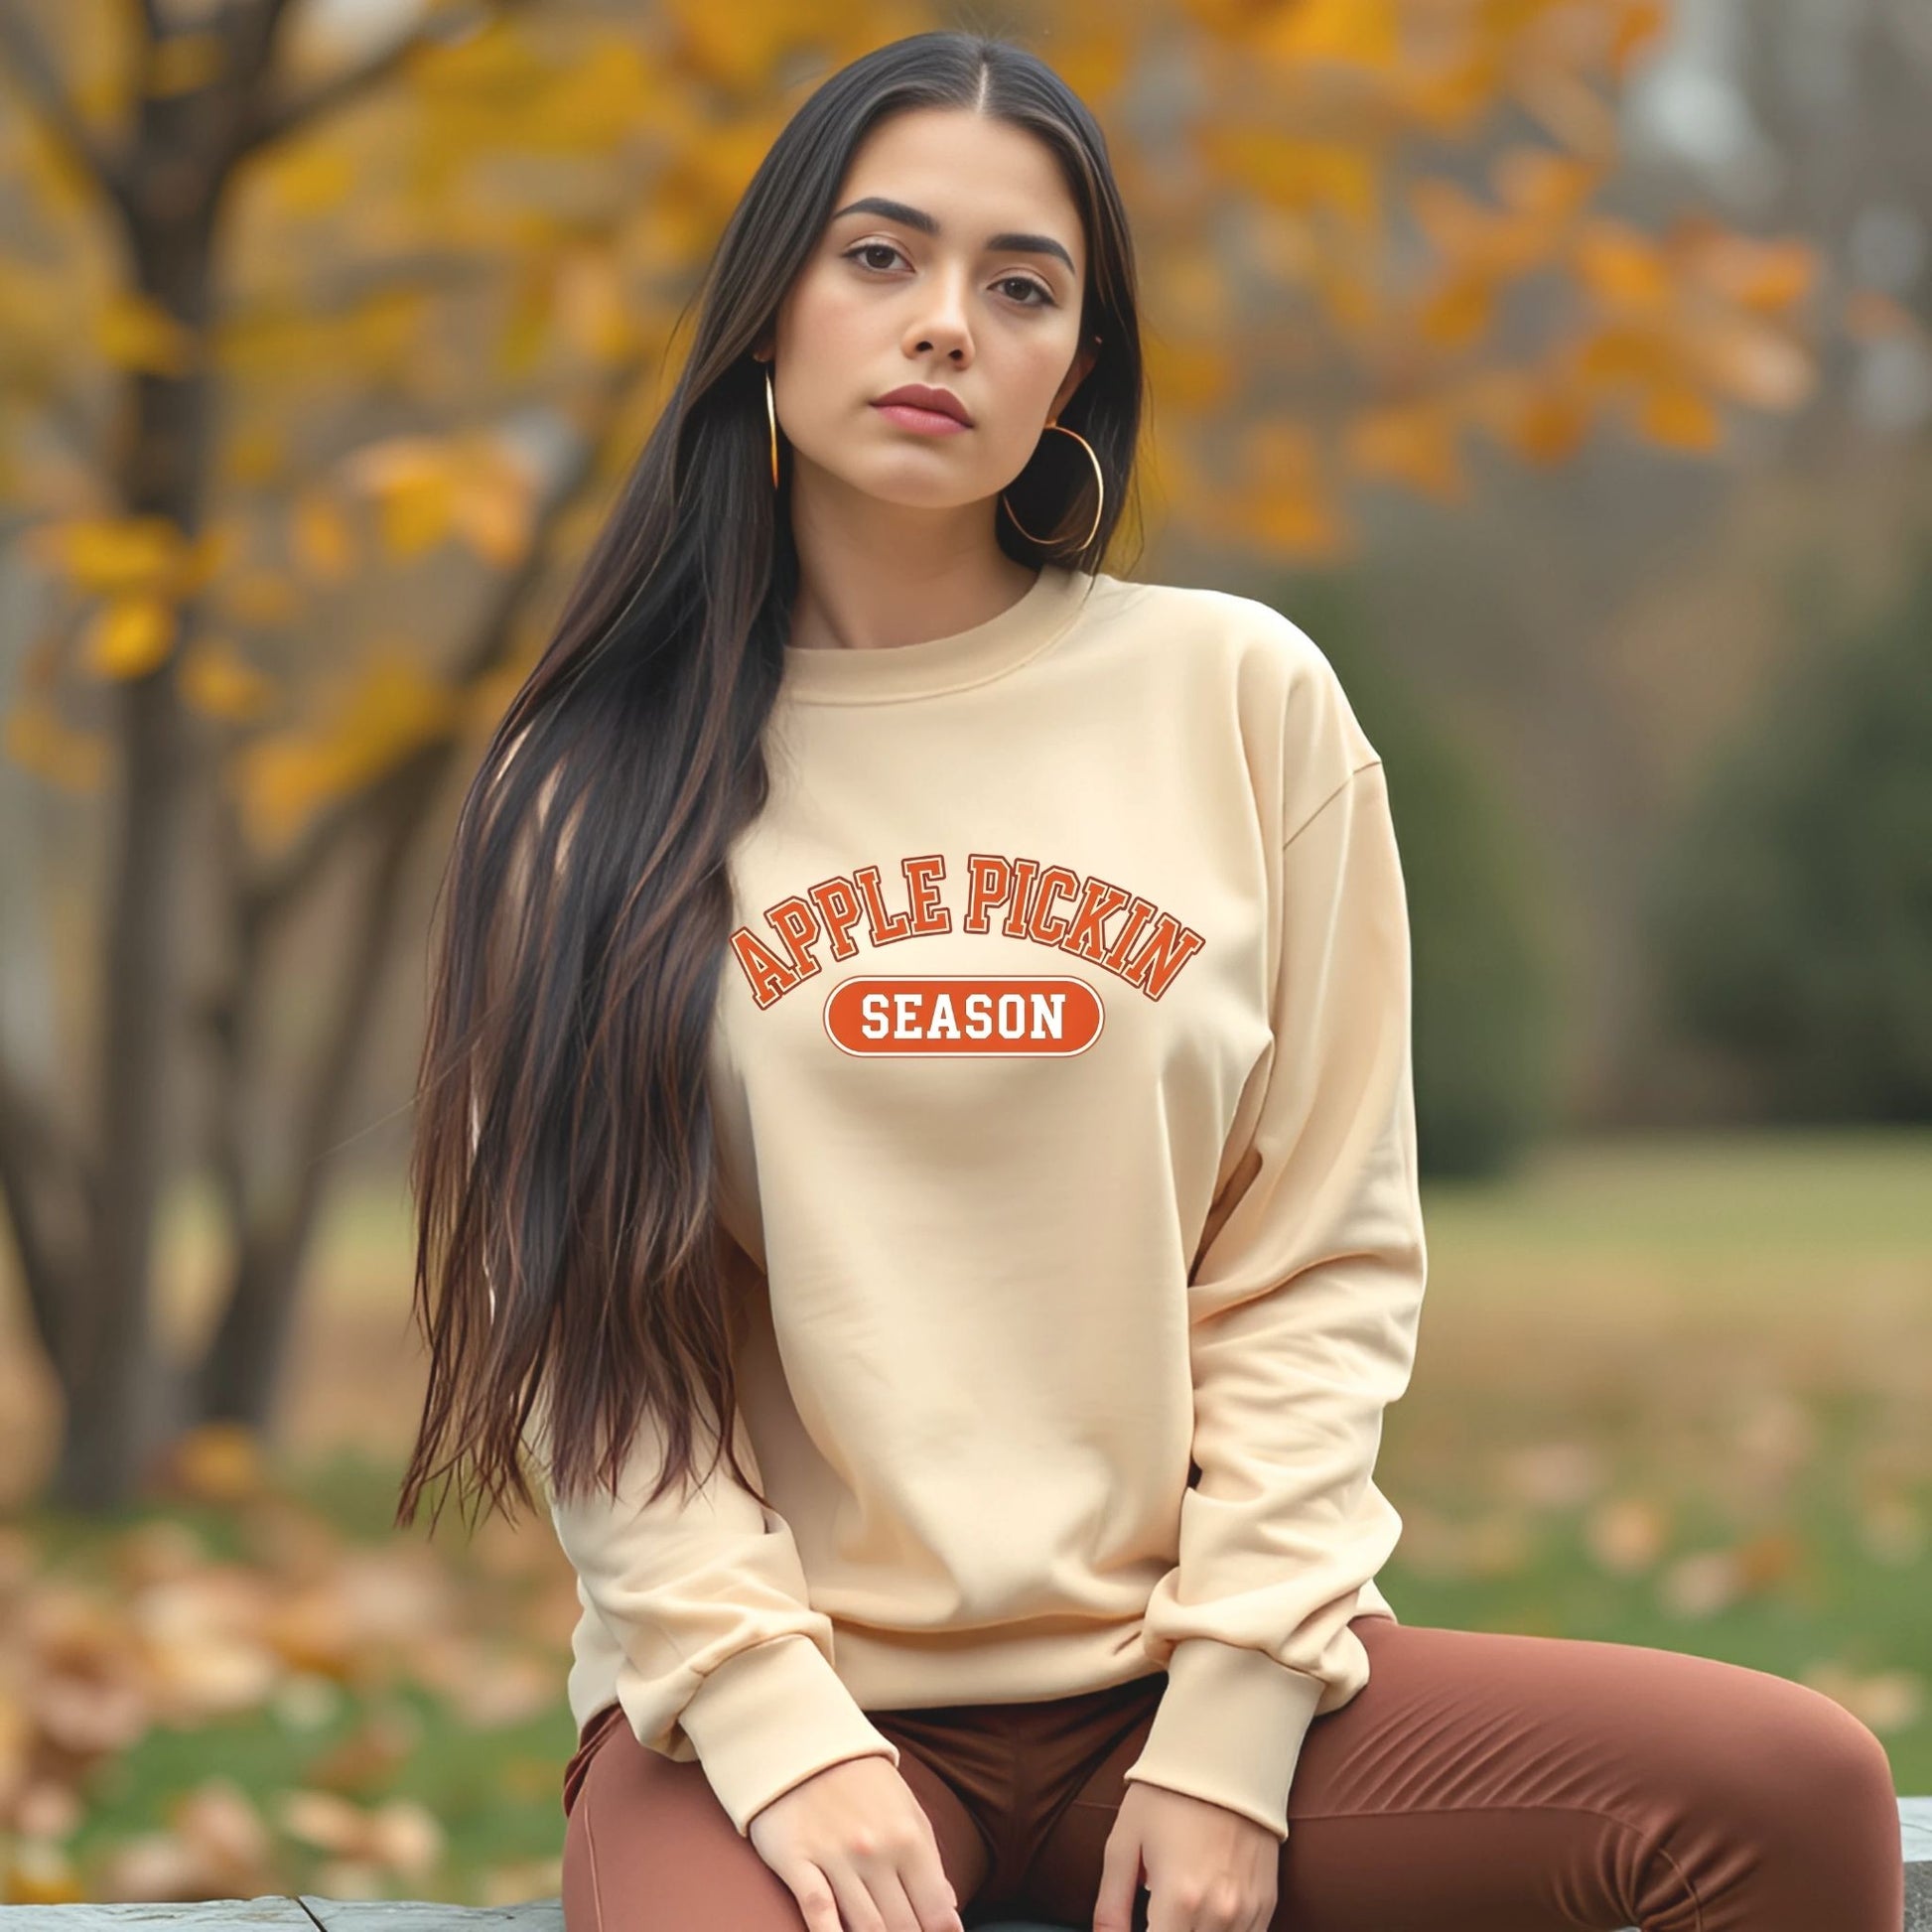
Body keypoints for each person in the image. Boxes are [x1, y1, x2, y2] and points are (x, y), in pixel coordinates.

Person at [395, 29, 1903, 1932]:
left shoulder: (1236, 699)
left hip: (1186, 1665)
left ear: (1074, 374)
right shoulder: (585, 787)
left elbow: (1320, 1255)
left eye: (1019, 287)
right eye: (880, 256)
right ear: (768, 308)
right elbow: (596, 1345)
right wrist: (779, 1725)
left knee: (1785, 1792)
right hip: (773, 1701)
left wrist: (1230, 1728)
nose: (945, 324)